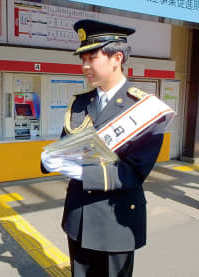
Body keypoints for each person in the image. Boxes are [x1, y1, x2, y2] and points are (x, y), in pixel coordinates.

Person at [41, 20, 170, 277]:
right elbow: (67, 145)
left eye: (92, 57)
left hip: (116, 223)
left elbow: (133, 173)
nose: (84, 66)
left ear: (116, 58)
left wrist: (80, 171)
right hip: (79, 219)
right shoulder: (80, 103)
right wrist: (52, 157)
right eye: (82, 59)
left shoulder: (144, 109)